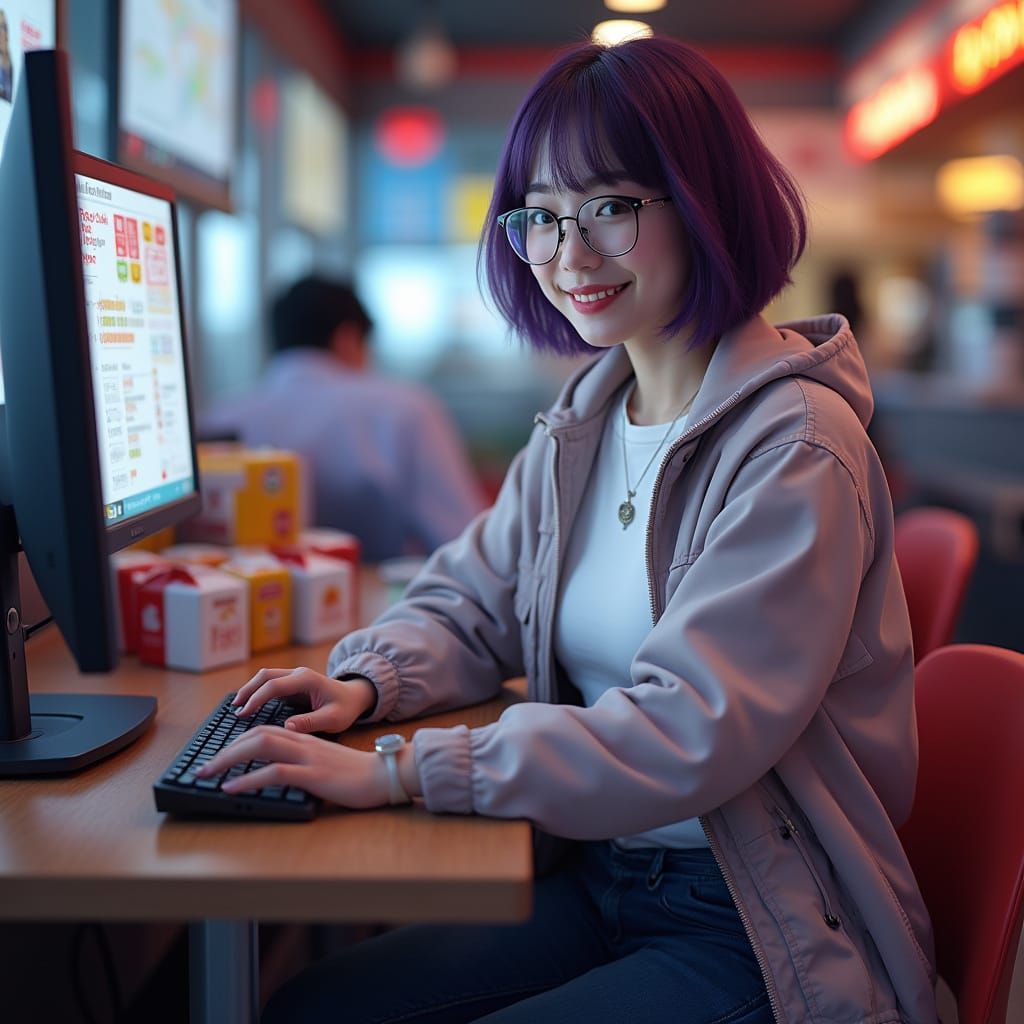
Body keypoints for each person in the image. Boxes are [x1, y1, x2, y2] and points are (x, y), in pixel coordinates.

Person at [198, 37, 939, 1024]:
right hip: (602, 871)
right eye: (541, 216)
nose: (570, 254)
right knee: (314, 1008)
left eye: (610, 208)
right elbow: (471, 599)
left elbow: (689, 726)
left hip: (761, 922)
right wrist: (368, 681)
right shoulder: (587, 419)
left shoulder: (795, 446)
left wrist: (403, 770)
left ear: (707, 201)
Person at [200, 276, 486, 562]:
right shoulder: (407, 409)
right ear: (347, 338)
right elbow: (463, 541)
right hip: (379, 586)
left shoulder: (221, 416)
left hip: (254, 586)